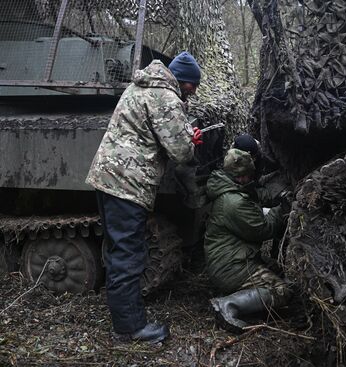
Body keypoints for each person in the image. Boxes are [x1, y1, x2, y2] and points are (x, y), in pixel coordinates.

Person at [85, 51, 203, 343]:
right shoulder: (166, 96)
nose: (194, 92)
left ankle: (125, 314)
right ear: (184, 81)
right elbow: (181, 152)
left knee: (117, 251)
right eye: (193, 86)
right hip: (128, 182)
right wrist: (192, 139)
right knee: (129, 254)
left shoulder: (139, 86)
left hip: (108, 177)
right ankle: (129, 328)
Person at [204, 148, 292, 333]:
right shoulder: (233, 202)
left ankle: (237, 295)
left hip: (230, 259)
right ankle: (227, 305)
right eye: (248, 175)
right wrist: (282, 208)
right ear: (240, 176)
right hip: (231, 267)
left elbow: (256, 196)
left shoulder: (228, 188)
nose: (251, 179)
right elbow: (263, 230)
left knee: (277, 269)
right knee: (281, 291)